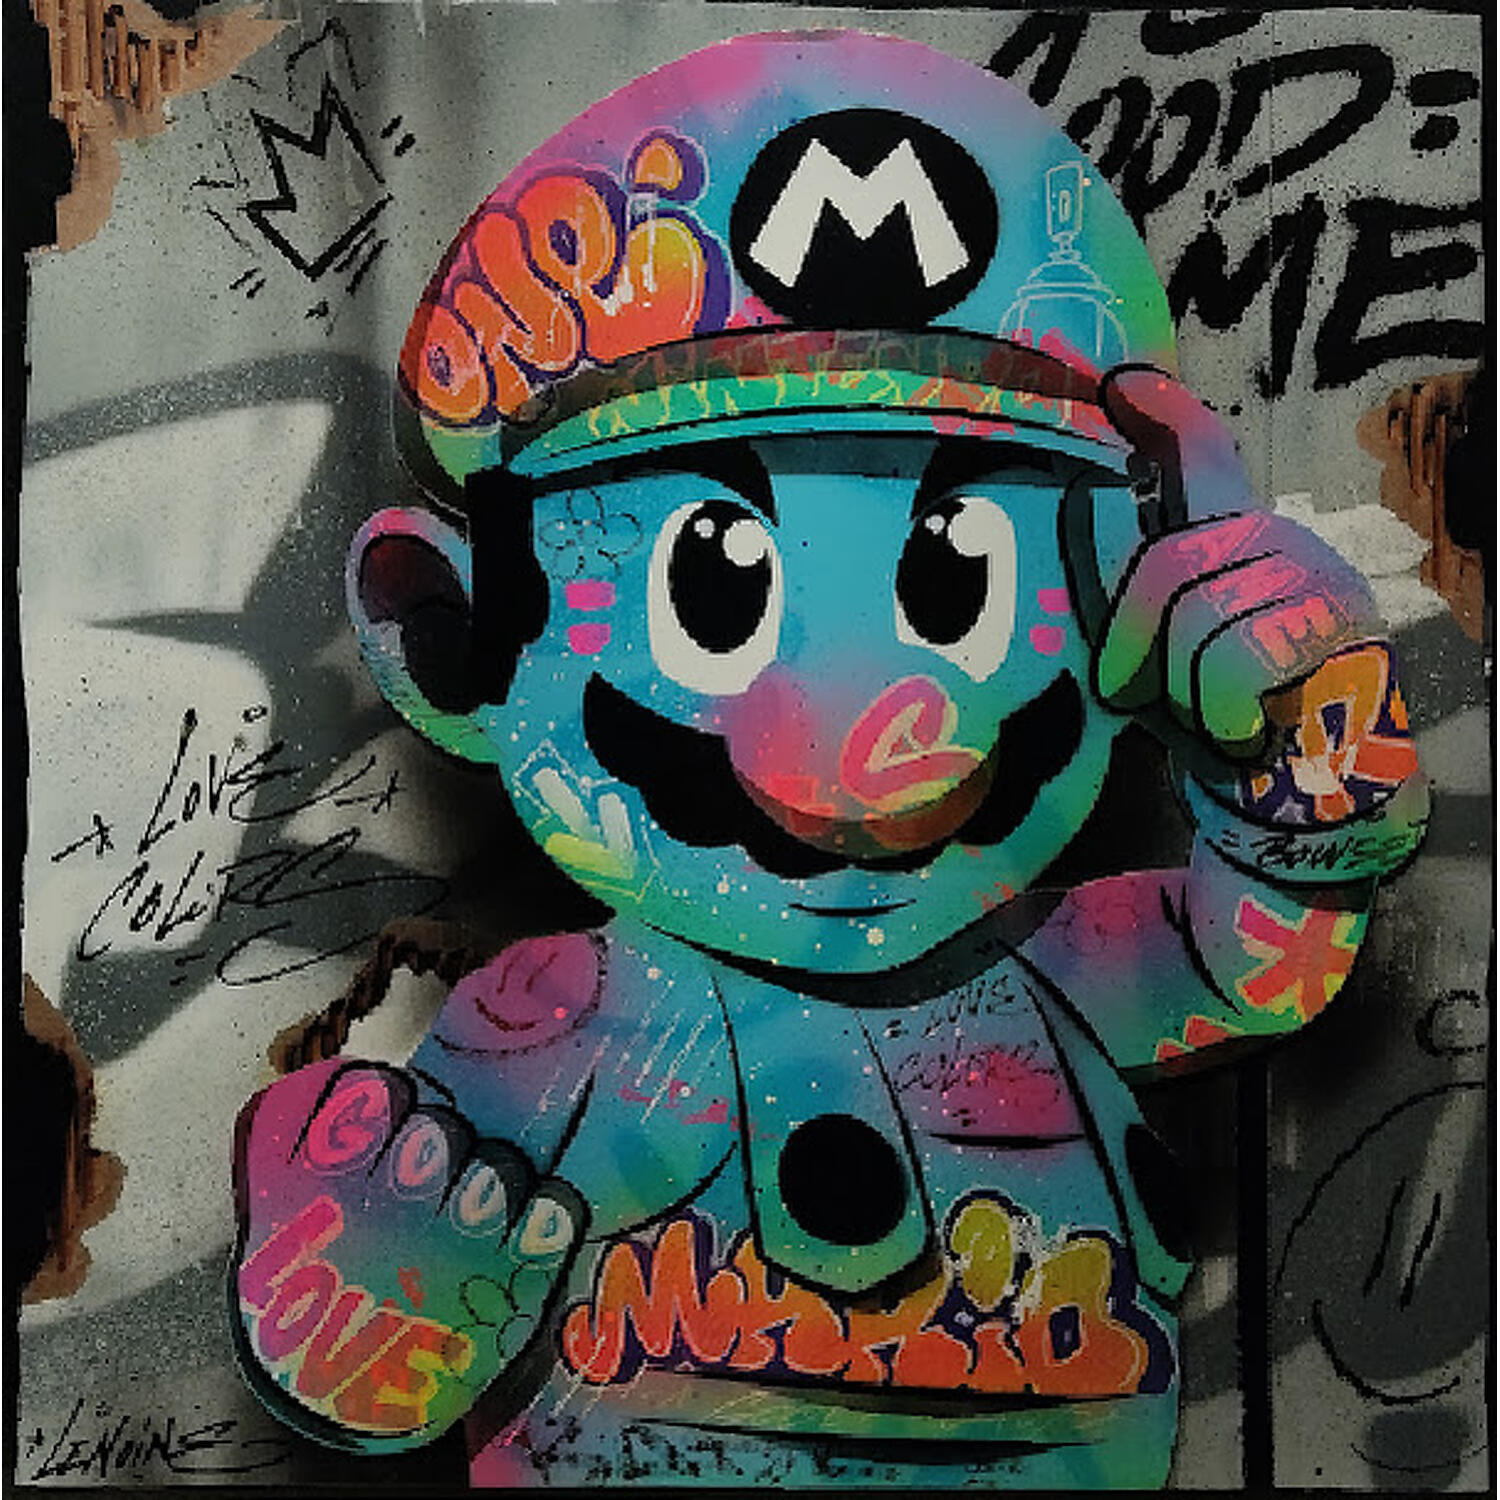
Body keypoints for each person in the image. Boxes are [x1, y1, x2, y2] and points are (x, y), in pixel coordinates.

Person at [229, 31, 1427, 1488]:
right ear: (445, 636)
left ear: (1139, 592)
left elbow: (1267, 959)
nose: (868, 742)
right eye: (713, 587)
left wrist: (1300, 733)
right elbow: (392, 1348)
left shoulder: (1065, 962)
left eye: (962, 577)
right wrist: (361, 1301)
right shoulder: (564, 1031)